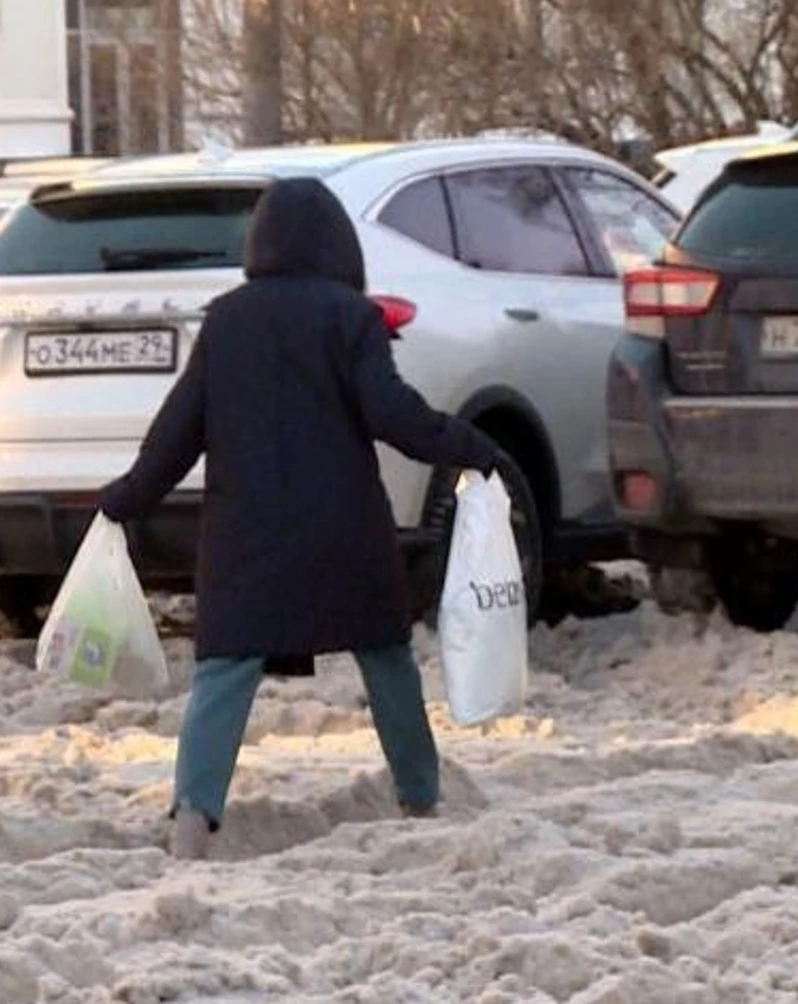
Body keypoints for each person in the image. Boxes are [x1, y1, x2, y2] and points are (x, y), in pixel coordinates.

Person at [98, 176, 499, 860]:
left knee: (225, 672)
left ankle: (193, 821)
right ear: (340, 247)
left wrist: (124, 499)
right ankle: (420, 797)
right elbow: (391, 413)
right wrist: (472, 449)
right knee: (385, 659)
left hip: (243, 537)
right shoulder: (351, 317)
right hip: (342, 532)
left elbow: (178, 431)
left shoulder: (227, 319)